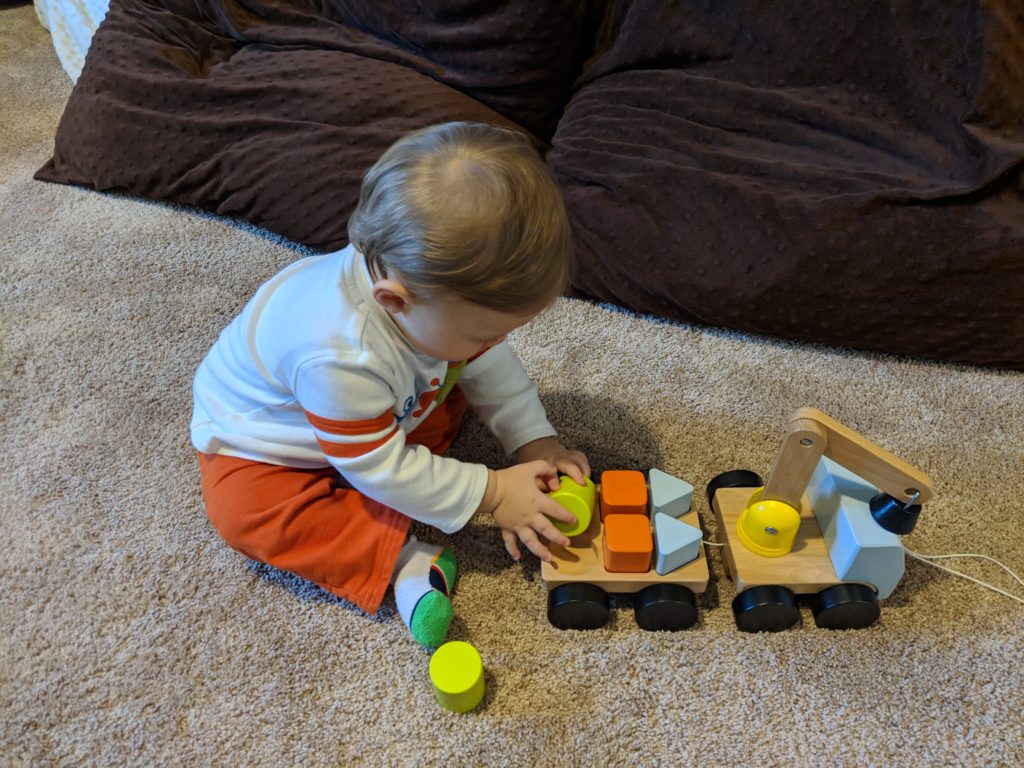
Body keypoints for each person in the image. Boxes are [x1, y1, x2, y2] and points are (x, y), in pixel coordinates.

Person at [191, 121, 591, 648]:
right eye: (486, 332)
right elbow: (376, 465)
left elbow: (488, 364)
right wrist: (493, 493)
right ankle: (406, 561)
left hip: (372, 413)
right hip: (271, 443)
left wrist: (532, 441)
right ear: (395, 301)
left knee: (458, 382)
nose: (495, 343)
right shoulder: (338, 354)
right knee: (246, 514)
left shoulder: (430, 305)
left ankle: (418, 474)